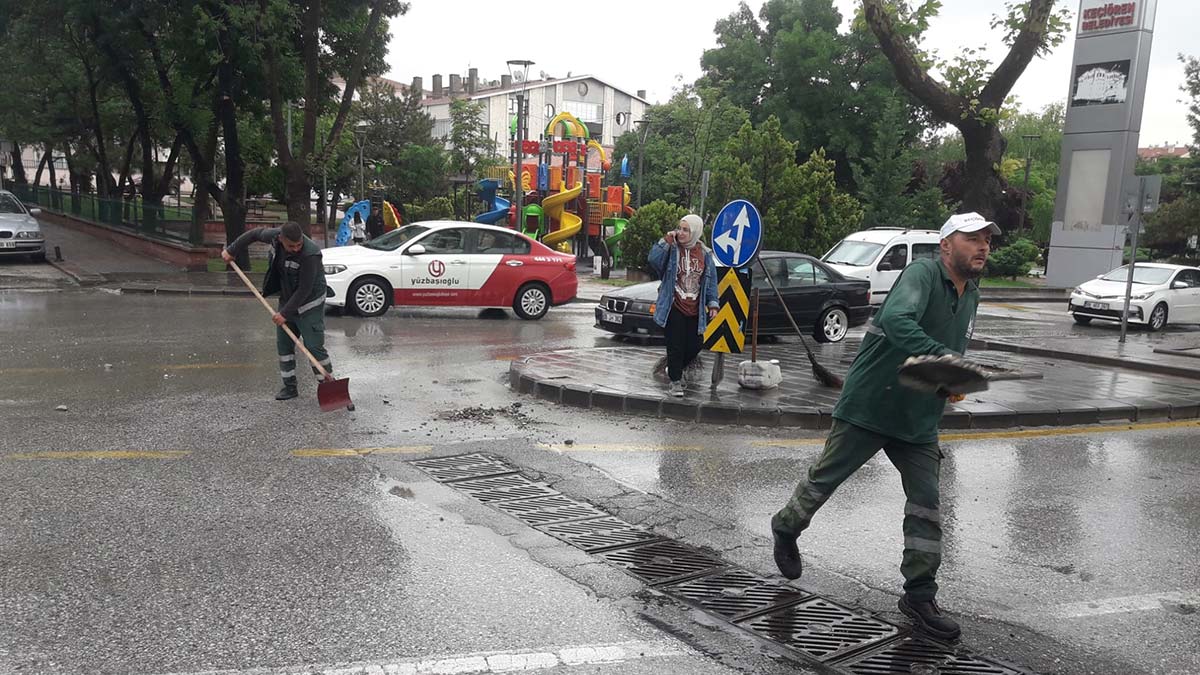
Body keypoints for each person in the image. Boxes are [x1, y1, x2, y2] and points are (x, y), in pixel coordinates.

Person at [769, 212, 999, 642]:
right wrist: (945, 360)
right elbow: (897, 321)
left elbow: (948, 352)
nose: (983, 246)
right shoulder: (922, 274)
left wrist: (950, 382)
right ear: (946, 245)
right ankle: (786, 526)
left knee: (927, 504)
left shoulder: (971, 294)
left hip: (919, 418)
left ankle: (919, 595)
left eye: (986, 239)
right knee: (825, 480)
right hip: (871, 405)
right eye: (972, 238)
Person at [222, 221, 332, 401]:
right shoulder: (274, 236)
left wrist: (284, 314)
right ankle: (289, 387)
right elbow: (254, 234)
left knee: (314, 346)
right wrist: (232, 250)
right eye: (291, 246)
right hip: (287, 298)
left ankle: (328, 386)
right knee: (284, 345)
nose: (296, 249)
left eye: (299, 245)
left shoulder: (310, 254)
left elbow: (304, 289)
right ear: (281, 239)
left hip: (309, 303)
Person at [648, 214, 718, 397]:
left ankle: (674, 369)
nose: (681, 233)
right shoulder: (672, 249)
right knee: (676, 345)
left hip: (695, 308)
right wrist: (666, 240)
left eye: (686, 230)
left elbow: (711, 281)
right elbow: (653, 260)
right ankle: (675, 381)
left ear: (695, 232)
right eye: (679, 228)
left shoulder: (705, 254)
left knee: (695, 345)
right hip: (674, 305)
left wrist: (713, 304)